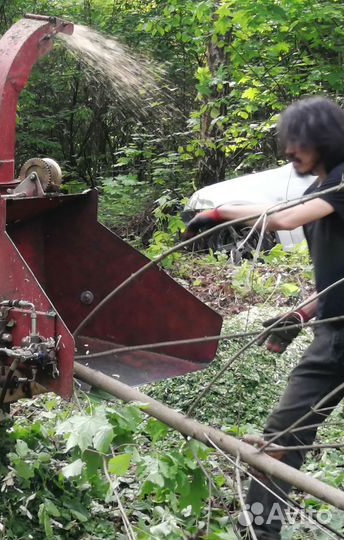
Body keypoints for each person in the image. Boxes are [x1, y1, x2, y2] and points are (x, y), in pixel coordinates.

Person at [185, 96, 344, 540]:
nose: (288, 151)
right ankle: (261, 531)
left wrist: (218, 212)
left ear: (323, 138)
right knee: (280, 439)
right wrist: (300, 313)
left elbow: (282, 218)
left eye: (298, 141)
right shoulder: (321, 190)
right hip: (333, 337)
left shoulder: (342, 183)